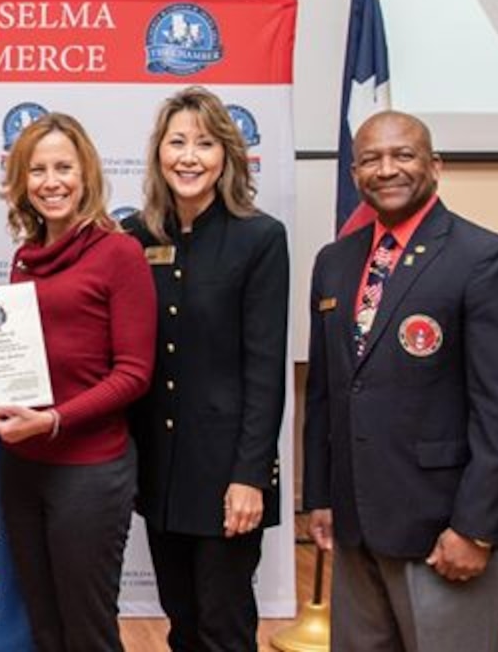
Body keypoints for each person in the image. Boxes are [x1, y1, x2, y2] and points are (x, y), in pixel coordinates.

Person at [303, 111, 498, 652]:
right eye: (370, 159)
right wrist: (321, 496)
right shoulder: (336, 262)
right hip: (359, 525)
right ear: (355, 173)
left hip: (445, 531)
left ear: (435, 166)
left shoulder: (484, 259)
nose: (386, 169)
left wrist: (476, 528)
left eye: (402, 155)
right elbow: (327, 390)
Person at [0, 111, 155, 652]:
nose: (52, 182)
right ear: (22, 182)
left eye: (64, 167)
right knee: (44, 627)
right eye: (38, 170)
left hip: (89, 473)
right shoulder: (25, 259)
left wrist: (53, 420)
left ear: (86, 173)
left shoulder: (120, 253)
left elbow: (134, 373)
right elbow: (27, 358)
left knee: (87, 631)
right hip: (24, 466)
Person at [123, 89, 288, 652]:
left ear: (227, 155)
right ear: (158, 155)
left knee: (225, 627)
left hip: (227, 475)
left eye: (205, 143)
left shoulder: (260, 237)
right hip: (161, 471)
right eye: (177, 142)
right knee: (182, 625)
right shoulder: (136, 236)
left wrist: (251, 475)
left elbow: (265, 369)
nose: (189, 157)